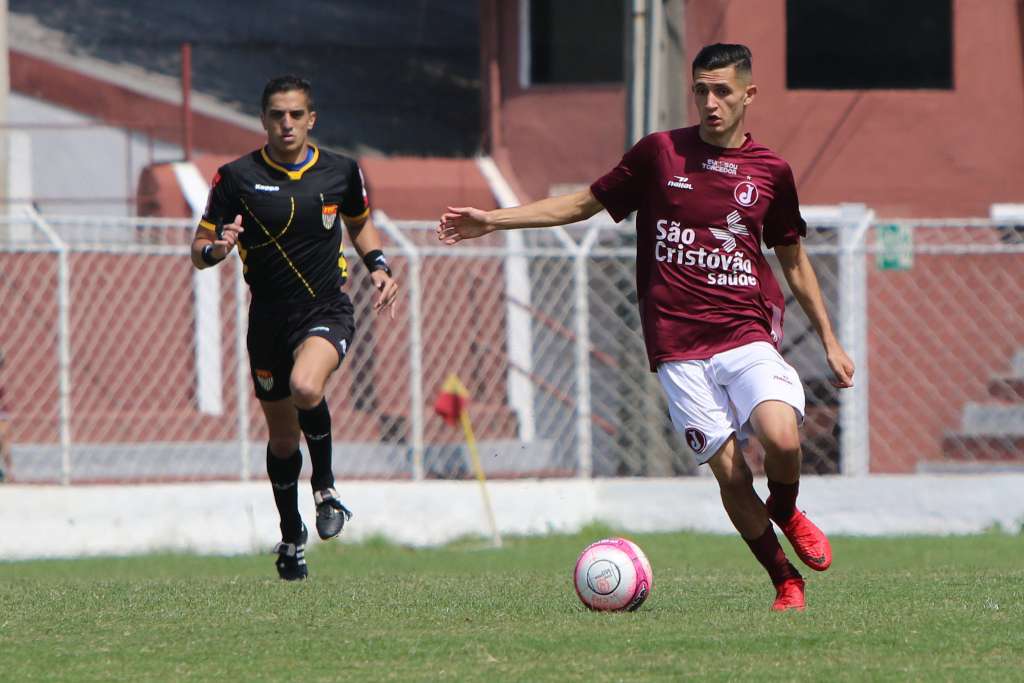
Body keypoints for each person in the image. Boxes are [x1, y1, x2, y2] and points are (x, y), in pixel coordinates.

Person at [438, 44, 854, 611]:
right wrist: (494, 220)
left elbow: (794, 259)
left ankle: (785, 508)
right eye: (701, 90)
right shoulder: (661, 153)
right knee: (731, 477)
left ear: (748, 95)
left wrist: (829, 340)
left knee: (781, 437)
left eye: (723, 91)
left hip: (746, 332)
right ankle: (786, 580)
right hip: (678, 349)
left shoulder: (771, 172)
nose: (710, 102)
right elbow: (583, 203)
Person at [191, 75, 399, 580]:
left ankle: (325, 489)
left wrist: (378, 263)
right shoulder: (235, 178)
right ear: (263, 120)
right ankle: (291, 536)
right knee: (283, 442)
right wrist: (218, 249)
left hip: (326, 309)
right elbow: (200, 249)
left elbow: (359, 220)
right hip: (268, 320)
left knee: (308, 385)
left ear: (312, 119)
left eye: (295, 115)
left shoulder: (340, 172)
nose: (286, 124)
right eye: (277, 115)